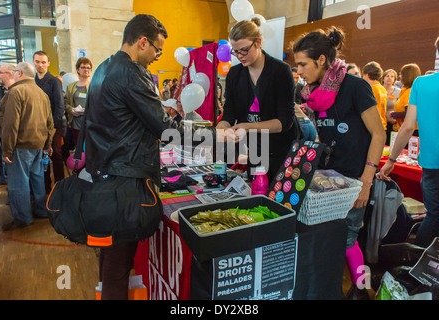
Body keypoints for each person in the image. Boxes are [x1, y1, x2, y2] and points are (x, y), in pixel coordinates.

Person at [86, 14, 210, 300]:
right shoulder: (132, 72)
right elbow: (166, 129)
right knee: (118, 266)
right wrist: (213, 138)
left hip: (103, 174)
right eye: (158, 49)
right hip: (124, 181)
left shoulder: (104, 67)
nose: (157, 56)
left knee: (110, 259)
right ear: (143, 42)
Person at [293, 27, 386, 300]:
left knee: (348, 240)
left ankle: (361, 290)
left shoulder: (357, 87)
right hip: (327, 179)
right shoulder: (315, 94)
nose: (299, 71)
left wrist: (366, 182)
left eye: (302, 64)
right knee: (330, 240)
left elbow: (379, 134)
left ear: (322, 60)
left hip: (355, 179)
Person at [217, 18, 300, 181]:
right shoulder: (234, 74)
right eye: (235, 51)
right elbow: (229, 112)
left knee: (280, 196)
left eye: (244, 50)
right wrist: (221, 129)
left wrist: (247, 127)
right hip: (255, 149)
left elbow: (285, 121)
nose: (239, 56)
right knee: (257, 191)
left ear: (258, 43)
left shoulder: (281, 71)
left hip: (281, 149)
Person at [377, 37, 439, 248]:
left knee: (433, 217)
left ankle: (420, 271)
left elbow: (407, 127)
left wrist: (391, 160)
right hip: (430, 164)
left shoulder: (422, 83)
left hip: (431, 164)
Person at [0, 62, 54, 231]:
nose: (12, 75)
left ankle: (22, 218)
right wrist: (47, 144)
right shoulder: (41, 93)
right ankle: (41, 210)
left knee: (18, 183)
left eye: (14, 71)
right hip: (38, 145)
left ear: (20, 73)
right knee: (37, 180)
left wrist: (7, 149)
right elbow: (49, 123)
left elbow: (11, 124)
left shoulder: (16, 92)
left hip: (20, 146)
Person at [33, 51, 67, 194]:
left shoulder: (54, 81)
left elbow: (59, 106)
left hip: (53, 125)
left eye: (43, 62)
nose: (40, 65)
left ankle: (60, 185)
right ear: (33, 62)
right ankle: (45, 186)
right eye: (37, 62)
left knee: (56, 154)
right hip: (36, 125)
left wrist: (52, 128)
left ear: (48, 63)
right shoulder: (32, 81)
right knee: (41, 156)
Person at [0, 64, 16, 187]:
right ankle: (2, 178)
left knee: (10, 158)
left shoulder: (16, 90)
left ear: (9, 73)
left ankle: (12, 184)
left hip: (10, 131)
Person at [64, 57, 92, 145]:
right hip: (76, 123)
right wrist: (71, 110)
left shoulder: (94, 85)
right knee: (79, 150)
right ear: (78, 69)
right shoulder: (71, 87)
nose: (86, 69)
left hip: (91, 123)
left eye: (88, 67)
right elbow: (66, 103)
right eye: (83, 67)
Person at [390, 63, 421, 135]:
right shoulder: (404, 90)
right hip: (402, 128)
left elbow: (409, 113)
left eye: (401, 74)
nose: (400, 76)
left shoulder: (410, 91)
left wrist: (394, 115)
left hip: (410, 131)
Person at [362, 61, 388, 131]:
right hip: (382, 124)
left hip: (373, 126)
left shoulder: (369, 89)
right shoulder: (382, 88)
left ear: (366, 75)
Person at [381, 69, 401, 144]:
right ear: (383, 78)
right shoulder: (379, 89)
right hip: (381, 122)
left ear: (394, 79)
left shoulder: (399, 91)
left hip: (393, 123)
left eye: (392, 76)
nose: (389, 78)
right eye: (387, 76)